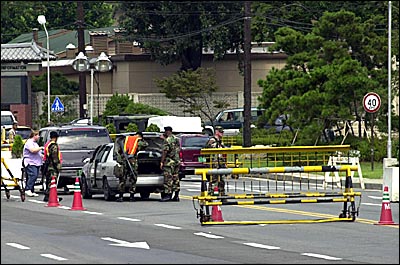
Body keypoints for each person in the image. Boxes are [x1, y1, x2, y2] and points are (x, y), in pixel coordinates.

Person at [114, 131, 148, 202]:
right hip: (132, 161)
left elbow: (118, 151)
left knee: (123, 178)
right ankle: (131, 196)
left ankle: (121, 196)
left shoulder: (125, 140)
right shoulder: (137, 141)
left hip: (124, 161)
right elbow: (145, 144)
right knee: (133, 178)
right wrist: (141, 139)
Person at [159, 126, 181, 202]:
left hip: (169, 162)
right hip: (177, 161)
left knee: (168, 178)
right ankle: (176, 195)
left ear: (166, 131)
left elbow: (165, 151)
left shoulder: (167, 140)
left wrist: (162, 161)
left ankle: (168, 195)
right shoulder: (176, 139)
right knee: (176, 178)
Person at [205, 126, 227, 197]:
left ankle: (222, 195)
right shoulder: (212, 141)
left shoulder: (220, 142)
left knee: (221, 181)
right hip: (214, 164)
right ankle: (211, 195)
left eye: (223, 132)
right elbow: (209, 151)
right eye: (221, 132)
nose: (222, 133)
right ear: (216, 132)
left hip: (220, 163)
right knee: (214, 180)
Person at [42, 131, 62, 202]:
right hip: (52, 166)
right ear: (56, 138)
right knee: (53, 182)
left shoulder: (48, 144)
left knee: (49, 181)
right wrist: (58, 166)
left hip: (47, 165)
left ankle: (47, 196)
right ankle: (51, 196)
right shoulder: (54, 145)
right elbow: (54, 157)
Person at [22, 131, 43, 197]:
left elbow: (38, 153)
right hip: (30, 162)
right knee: (33, 175)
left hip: (36, 162)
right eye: (37, 135)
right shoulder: (29, 142)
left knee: (34, 176)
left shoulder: (35, 143)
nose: (39, 137)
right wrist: (41, 148)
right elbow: (33, 150)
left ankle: (31, 190)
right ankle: (28, 189)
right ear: (34, 135)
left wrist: (43, 156)